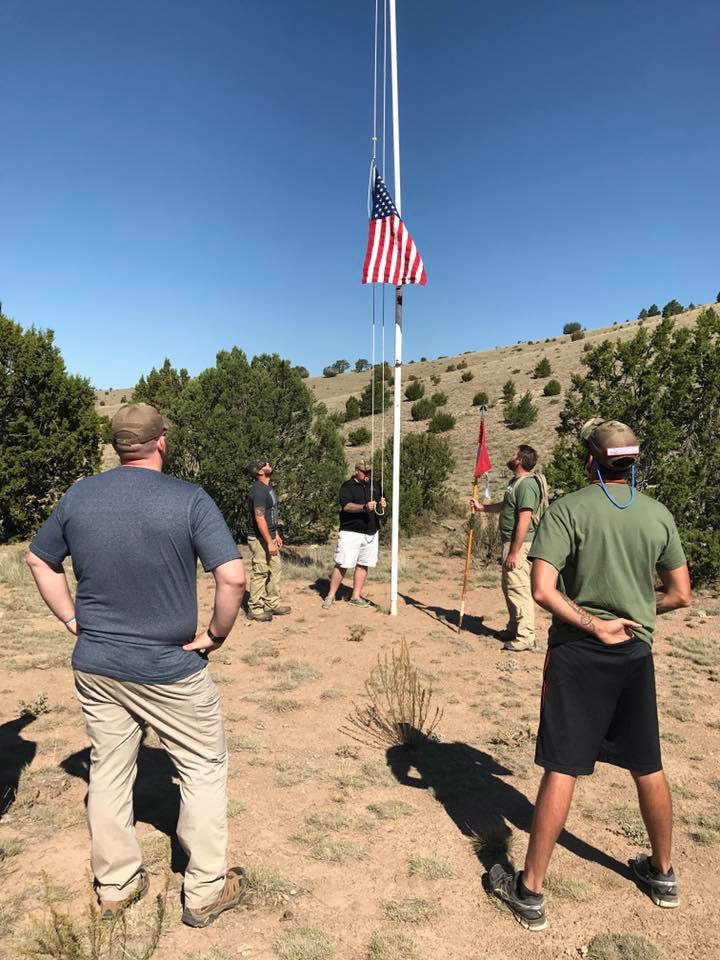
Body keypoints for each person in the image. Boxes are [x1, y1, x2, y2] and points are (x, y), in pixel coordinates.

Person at [26, 403, 249, 929]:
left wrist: (71, 619)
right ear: (161, 442)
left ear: (117, 446)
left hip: (98, 664)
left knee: (107, 771)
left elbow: (39, 558)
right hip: (170, 666)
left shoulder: (79, 496)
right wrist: (215, 636)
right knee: (202, 769)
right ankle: (204, 892)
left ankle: (117, 885)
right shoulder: (189, 499)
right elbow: (234, 577)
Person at [489, 418, 691, 931]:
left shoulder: (569, 510)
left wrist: (592, 623)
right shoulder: (657, 515)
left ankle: (530, 890)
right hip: (635, 652)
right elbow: (681, 594)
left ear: (591, 461)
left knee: (563, 765)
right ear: (634, 462)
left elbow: (541, 590)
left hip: (579, 654)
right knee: (647, 763)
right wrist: (636, 612)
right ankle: (662, 874)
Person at [472, 445, 546, 651]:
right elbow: (506, 506)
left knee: (519, 588)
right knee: (509, 588)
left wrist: (514, 551)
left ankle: (525, 636)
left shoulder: (527, 485)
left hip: (520, 547)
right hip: (511, 545)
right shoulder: (515, 482)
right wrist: (482, 508)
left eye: (513, 454)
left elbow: (524, 518)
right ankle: (514, 628)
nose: (510, 456)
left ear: (520, 460)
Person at [322, 459, 387, 609]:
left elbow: (383, 503)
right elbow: (346, 506)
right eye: (364, 471)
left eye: (369, 471)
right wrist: (364, 507)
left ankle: (355, 596)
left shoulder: (375, 485)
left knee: (364, 563)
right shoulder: (347, 486)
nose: (367, 474)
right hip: (350, 532)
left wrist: (384, 504)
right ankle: (330, 595)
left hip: (371, 532)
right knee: (343, 563)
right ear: (357, 470)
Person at [246, 459, 290, 622]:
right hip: (259, 539)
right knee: (260, 571)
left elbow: (270, 515)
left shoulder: (267, 488)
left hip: (269, 536)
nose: (268, 464)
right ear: (259, 471)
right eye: (265, 464)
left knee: (275, 569)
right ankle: (255, 609)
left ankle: (272, 603)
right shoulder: (258, 490)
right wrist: (269, 542)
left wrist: (275, 534)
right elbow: (259, 519)